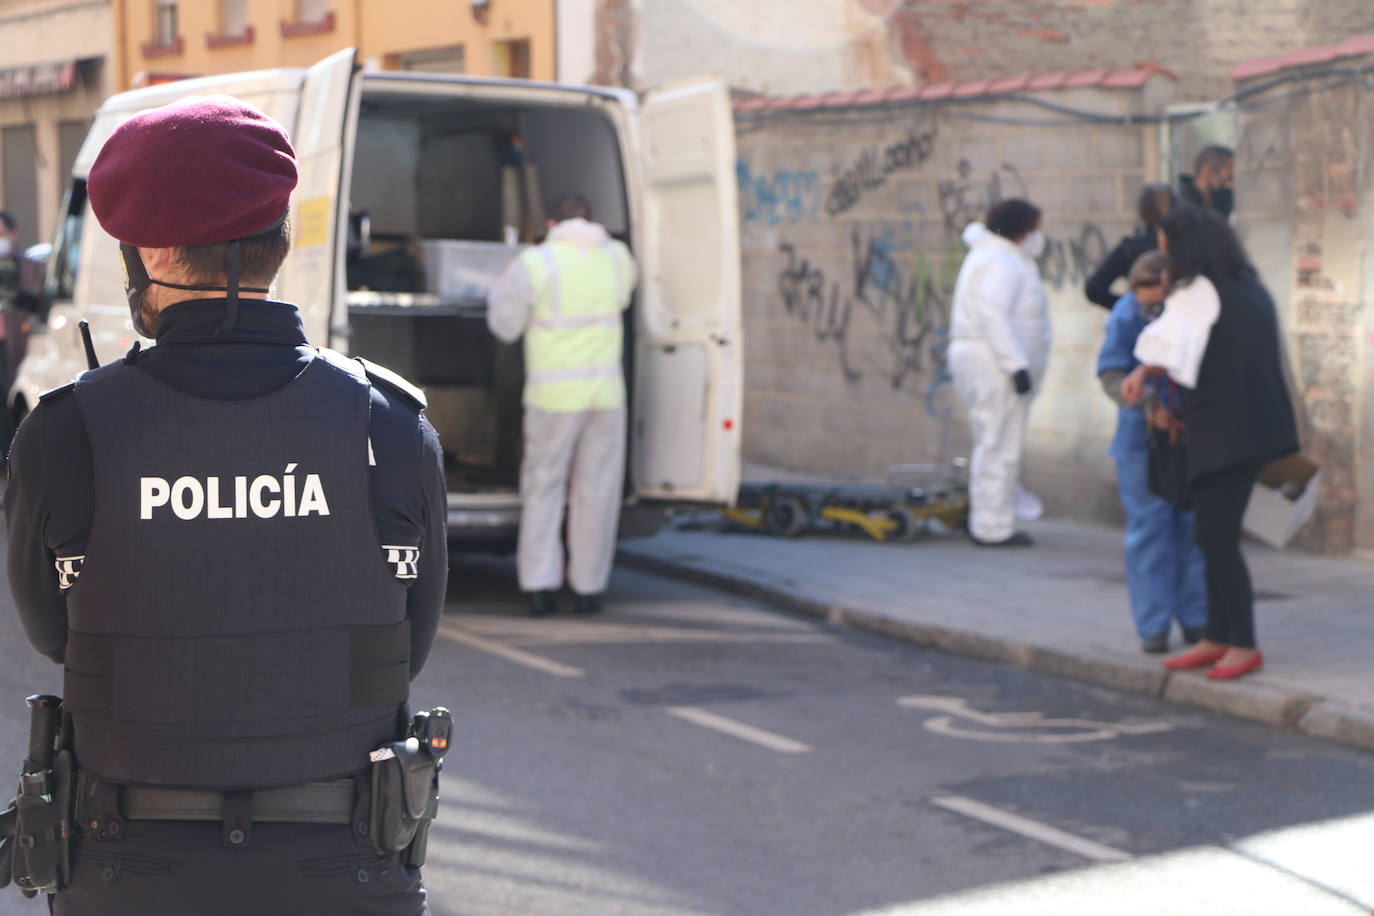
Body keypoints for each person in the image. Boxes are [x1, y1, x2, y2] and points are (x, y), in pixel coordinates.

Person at [4, 97, 446, 914]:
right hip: (349, 870)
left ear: (152, 252)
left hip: (127, 870)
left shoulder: (64, 431)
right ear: (281, 240)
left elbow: (51, 633)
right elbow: (408, 647)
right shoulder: (391, 422)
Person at [1121, 204, 1298, 680]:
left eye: (1167, 250)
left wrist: (1141, 369)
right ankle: (1218, 636)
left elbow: (1161, 344)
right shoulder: (1247, 285)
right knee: (1212, 535)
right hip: (1254, 428)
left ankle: (1242, 643)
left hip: (1225, 431)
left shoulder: (1196, 291)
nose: (1164, 259)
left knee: (1215, 539)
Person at [487, 193, 637, 616]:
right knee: (597, 490)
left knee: (544, 487)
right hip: (605, 395)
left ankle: (540, 586)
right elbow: (624, 298)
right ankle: (589, 588)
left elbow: (504, 325)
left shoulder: (537, 262)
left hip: (553, 398)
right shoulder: (618, 258)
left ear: (552, 224)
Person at [1096, 252, 1207, 654]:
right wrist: (1147, 403)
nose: (1151, 308)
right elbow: (1111, 374)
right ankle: (1153, 624)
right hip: (1141, 439)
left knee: (1192, 529)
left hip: (1188, 433)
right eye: (1145, 300)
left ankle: (1196, 618)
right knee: (1149, 530)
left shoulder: (1189, 313)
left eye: (1157, 301)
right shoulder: (1126, 315)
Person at [948, 198, 1051, 547]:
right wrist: (1016, 365)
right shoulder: (1001, 262)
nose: (1039, 236)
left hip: (986, 360)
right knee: (999, 444)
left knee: (993, 441)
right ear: (1021, 229)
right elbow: (992, 314)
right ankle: (991, 527)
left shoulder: (995, 257)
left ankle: (988, 518)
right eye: (1035, 228)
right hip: (993, 364)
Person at [1083, 184, 1175, 310]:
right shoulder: (1180, 248)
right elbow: (1094, 289)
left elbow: (1093, 288)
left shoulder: (1130, 248)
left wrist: (1127, 305)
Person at [1178, 145, 1234, 219]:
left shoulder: (1222, 204)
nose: (1232, 185)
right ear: (1208, 172)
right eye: (1229, 178)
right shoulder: (1182, 209)